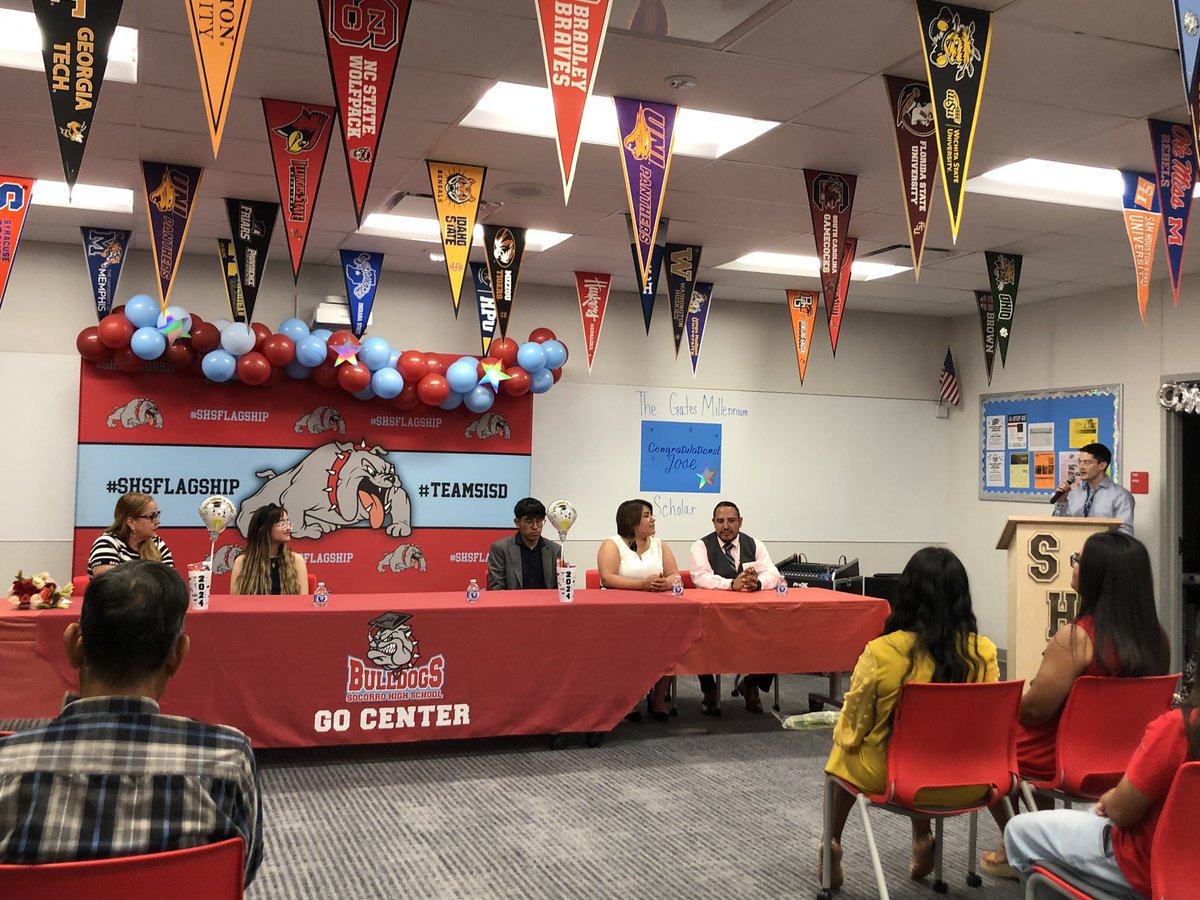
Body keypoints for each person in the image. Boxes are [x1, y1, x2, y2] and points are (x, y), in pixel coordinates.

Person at [0, 561, 263, 885]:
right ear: (178, 654)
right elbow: (239, 873)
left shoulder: (6, 765)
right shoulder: (228, 759)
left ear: (73, 644)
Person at [981, 531, 1170, 879]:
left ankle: (1017, 845)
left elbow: (1036, 711)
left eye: (1079, 560)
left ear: (1098, 576)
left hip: (1067, 758)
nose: (1074, 564)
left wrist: (1007, 703)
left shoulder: (1076, 638)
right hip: (1130, 760)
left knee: (988, 749)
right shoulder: (1157, 638)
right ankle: (1035, 840)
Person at [819, 547, 998, 890]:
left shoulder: (882, 651)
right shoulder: (983, 651)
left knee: (841, 757)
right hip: (970, 778)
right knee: (925, 744)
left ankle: (831, 844)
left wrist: (842, 737)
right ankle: (922, 837)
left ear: (906, 593)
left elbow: (855, 723)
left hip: (899, 780)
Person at [1004, 624, 1200, 898]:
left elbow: (1121, 812)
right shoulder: (1158, 641)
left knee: (1018, 831)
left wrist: (1112, 799)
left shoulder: (1179, 729)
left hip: (1145, 869)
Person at [688, 500, 783, 715]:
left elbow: (773, 573)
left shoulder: (755, 544)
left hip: (753, 616)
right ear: (713, 523)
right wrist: (731, 585)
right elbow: (700, 577)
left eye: (731, 521)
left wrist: (758, 584)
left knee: (779, 633)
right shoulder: (701, 546)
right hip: (714, 618)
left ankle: (752, 683)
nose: (726, 526)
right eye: (720, 521)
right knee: (697, 637)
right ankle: (709, 689)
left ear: (740, 522)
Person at [597, 499, 681, 722]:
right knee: (627, 651)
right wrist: (642, 585)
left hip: (658, 613)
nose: (652, 519)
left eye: (651, 514)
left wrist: (667, 584)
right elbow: (607, 577)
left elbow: (676, 575)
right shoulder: (612, 544)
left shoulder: (659, 544)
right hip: (621, 615)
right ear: (632, 521)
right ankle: (629, 700)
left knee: (671, 645)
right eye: (646, 515)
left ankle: (658, 699)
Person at [1052, 442, 1135, 536]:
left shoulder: (1120, 496)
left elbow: (1125, 535)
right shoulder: (1073, 494)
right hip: (1074, 547)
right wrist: (1062, 501)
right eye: (1079, 462)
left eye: (1087, 463)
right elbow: (1058, 526)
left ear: (1102, 465)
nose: (1081, 467)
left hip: (1104, 549)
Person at [87, 491, 174, 576]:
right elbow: (109, 585)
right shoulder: (107, 543)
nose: (158, 521)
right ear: (131, 522)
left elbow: (171, 581)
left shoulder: (156, 543)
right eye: (151, 517)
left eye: (157, 515)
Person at [230, 503, 309, 595]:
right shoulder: (243, 562)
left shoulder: (296, 561)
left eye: (288, 522)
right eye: (282, 523)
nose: (288, 528)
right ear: (264, 529)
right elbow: (235, 601)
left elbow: (302, 601)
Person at [487, 497, 562, 590]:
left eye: (539, 521)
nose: (535, 527)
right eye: (529, 522)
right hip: (513, 603)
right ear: (517, 522)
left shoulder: (555, 550)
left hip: (545, 603)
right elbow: (496, 588)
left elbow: (559, 589)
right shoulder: (500, 548)